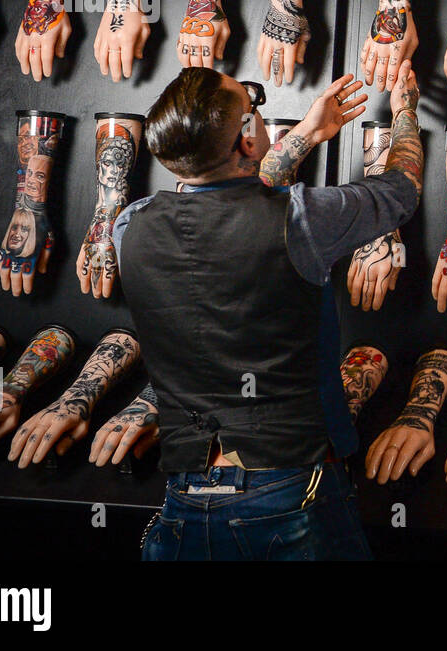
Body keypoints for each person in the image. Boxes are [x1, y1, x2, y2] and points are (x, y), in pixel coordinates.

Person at [113, 63, 423, 561]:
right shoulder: (302, 220)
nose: (258, 114)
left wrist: (304, 134)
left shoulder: (130, 226)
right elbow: (401, 188)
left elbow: (232, 198)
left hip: (186, 494)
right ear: (246, 142)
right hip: (290, 493)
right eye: (252, 107)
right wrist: (406, 109)